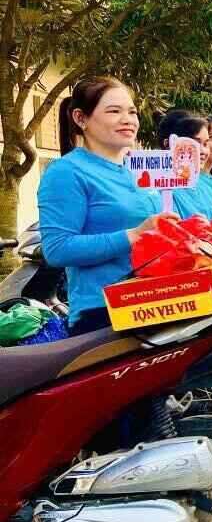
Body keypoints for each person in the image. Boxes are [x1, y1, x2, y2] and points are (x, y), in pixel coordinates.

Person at [38, 77, 171, 335]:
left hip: (159, 300)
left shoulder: (139, 170)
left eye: (132, 111)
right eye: (114, 111)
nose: (128, 119)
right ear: (81, 118)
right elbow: (56, 250)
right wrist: (134, 235)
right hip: (105, 314)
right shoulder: (66, 172)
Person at [157, 109, 212, 220]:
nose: (203, 151)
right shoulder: (159, 188)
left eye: (205, 144)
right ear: (168, 144)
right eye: (194, 143)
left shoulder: (207, 183)